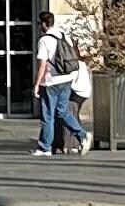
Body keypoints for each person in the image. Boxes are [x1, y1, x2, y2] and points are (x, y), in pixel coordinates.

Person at [31, 10, 88, 157]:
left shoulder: (44, 40)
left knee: (48, 115)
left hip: (51, 82)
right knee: (62, 112)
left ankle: (45, 147)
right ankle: (82, 135)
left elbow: (42, 65)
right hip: (66, 80)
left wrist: (37, 84)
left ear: (43, 24)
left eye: (40, 24)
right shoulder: (63, 36)